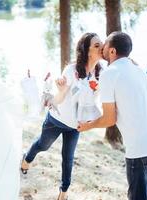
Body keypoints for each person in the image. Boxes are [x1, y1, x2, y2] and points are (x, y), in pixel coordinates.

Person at [78, 31, 147, 200]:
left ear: (112, 51)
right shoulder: (137, 69)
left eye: (104, 45)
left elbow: (109, 119)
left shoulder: (109, 73)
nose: (102, 48)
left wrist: (88, 125)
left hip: (143, 149)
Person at [21, 32, 103, 200]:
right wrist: (62, 90)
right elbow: (57, 101)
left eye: (101, 43)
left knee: (68, 157)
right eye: (96, 45)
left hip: (75, 126)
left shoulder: (102, 73)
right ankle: (27, 159)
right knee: (43, 146)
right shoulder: (72, 70)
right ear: (86, 51)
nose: (101, 47)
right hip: (56, 120)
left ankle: (63, 192)